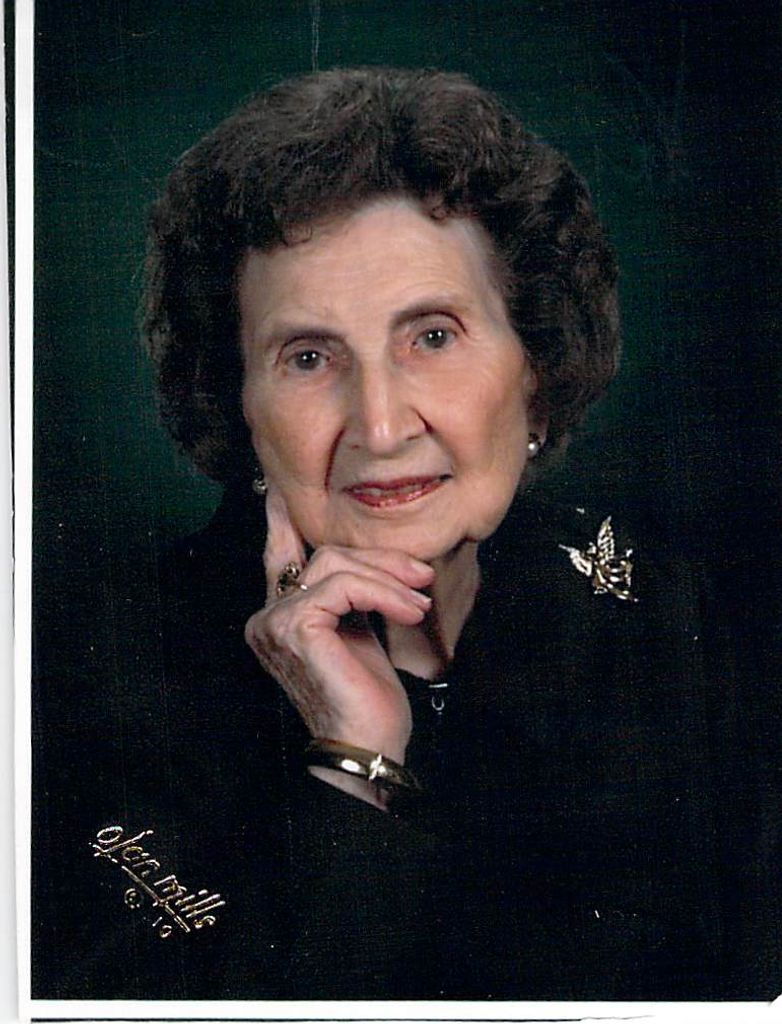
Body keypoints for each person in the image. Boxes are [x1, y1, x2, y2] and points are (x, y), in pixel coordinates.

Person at [33, 67, 780, 1001]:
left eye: (432, 336)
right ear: (238, 402)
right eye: (309, 357)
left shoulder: (664, 617)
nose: (381, 427)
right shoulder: (89, 671)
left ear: (536, 368)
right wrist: (355, 760)